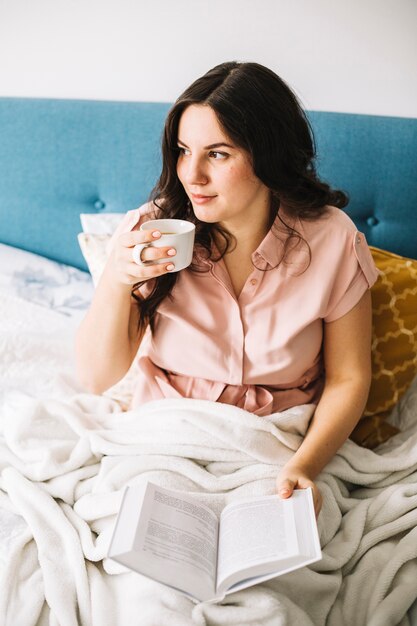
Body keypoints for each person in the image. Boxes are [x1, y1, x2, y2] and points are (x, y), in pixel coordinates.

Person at [75, 61, 379, 517]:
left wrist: (305, 467)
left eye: (217, 154)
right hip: (167, 435)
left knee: (275, 583)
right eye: (182, 150)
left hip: (281, 443)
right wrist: (118, 281)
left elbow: (349, 377)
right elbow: (97, 378)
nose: (191, 174)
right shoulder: (153, 232)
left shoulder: (332, 240)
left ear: (268, 155)